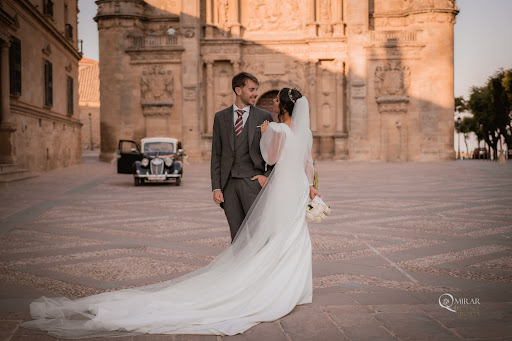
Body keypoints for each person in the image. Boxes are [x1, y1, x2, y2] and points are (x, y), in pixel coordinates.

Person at [21, 88, 321, 338]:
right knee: (294, 235)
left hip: (283, 186)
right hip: (297, 188)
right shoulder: (305, 133)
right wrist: (312, 189)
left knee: (281, 235)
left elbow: (270, 158)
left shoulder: (278, 128)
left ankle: (277, 286)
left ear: (281, 106)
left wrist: (268, 133)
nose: (272, 103)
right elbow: (308, 165)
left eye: (276, 101)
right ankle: (296, 290)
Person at [211, 72, 274, 241]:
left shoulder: (264, 117)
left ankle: (260, 267)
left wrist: (266, 176)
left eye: (256, 89)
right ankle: (239, 267)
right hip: (228, 185)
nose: (256, 93)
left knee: (258, 233)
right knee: (237, 236)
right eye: (252, 89)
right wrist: (216, 187)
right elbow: (216, 154)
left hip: (253, 183)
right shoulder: (220, 117)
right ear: (238, 90)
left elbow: (275, 152)